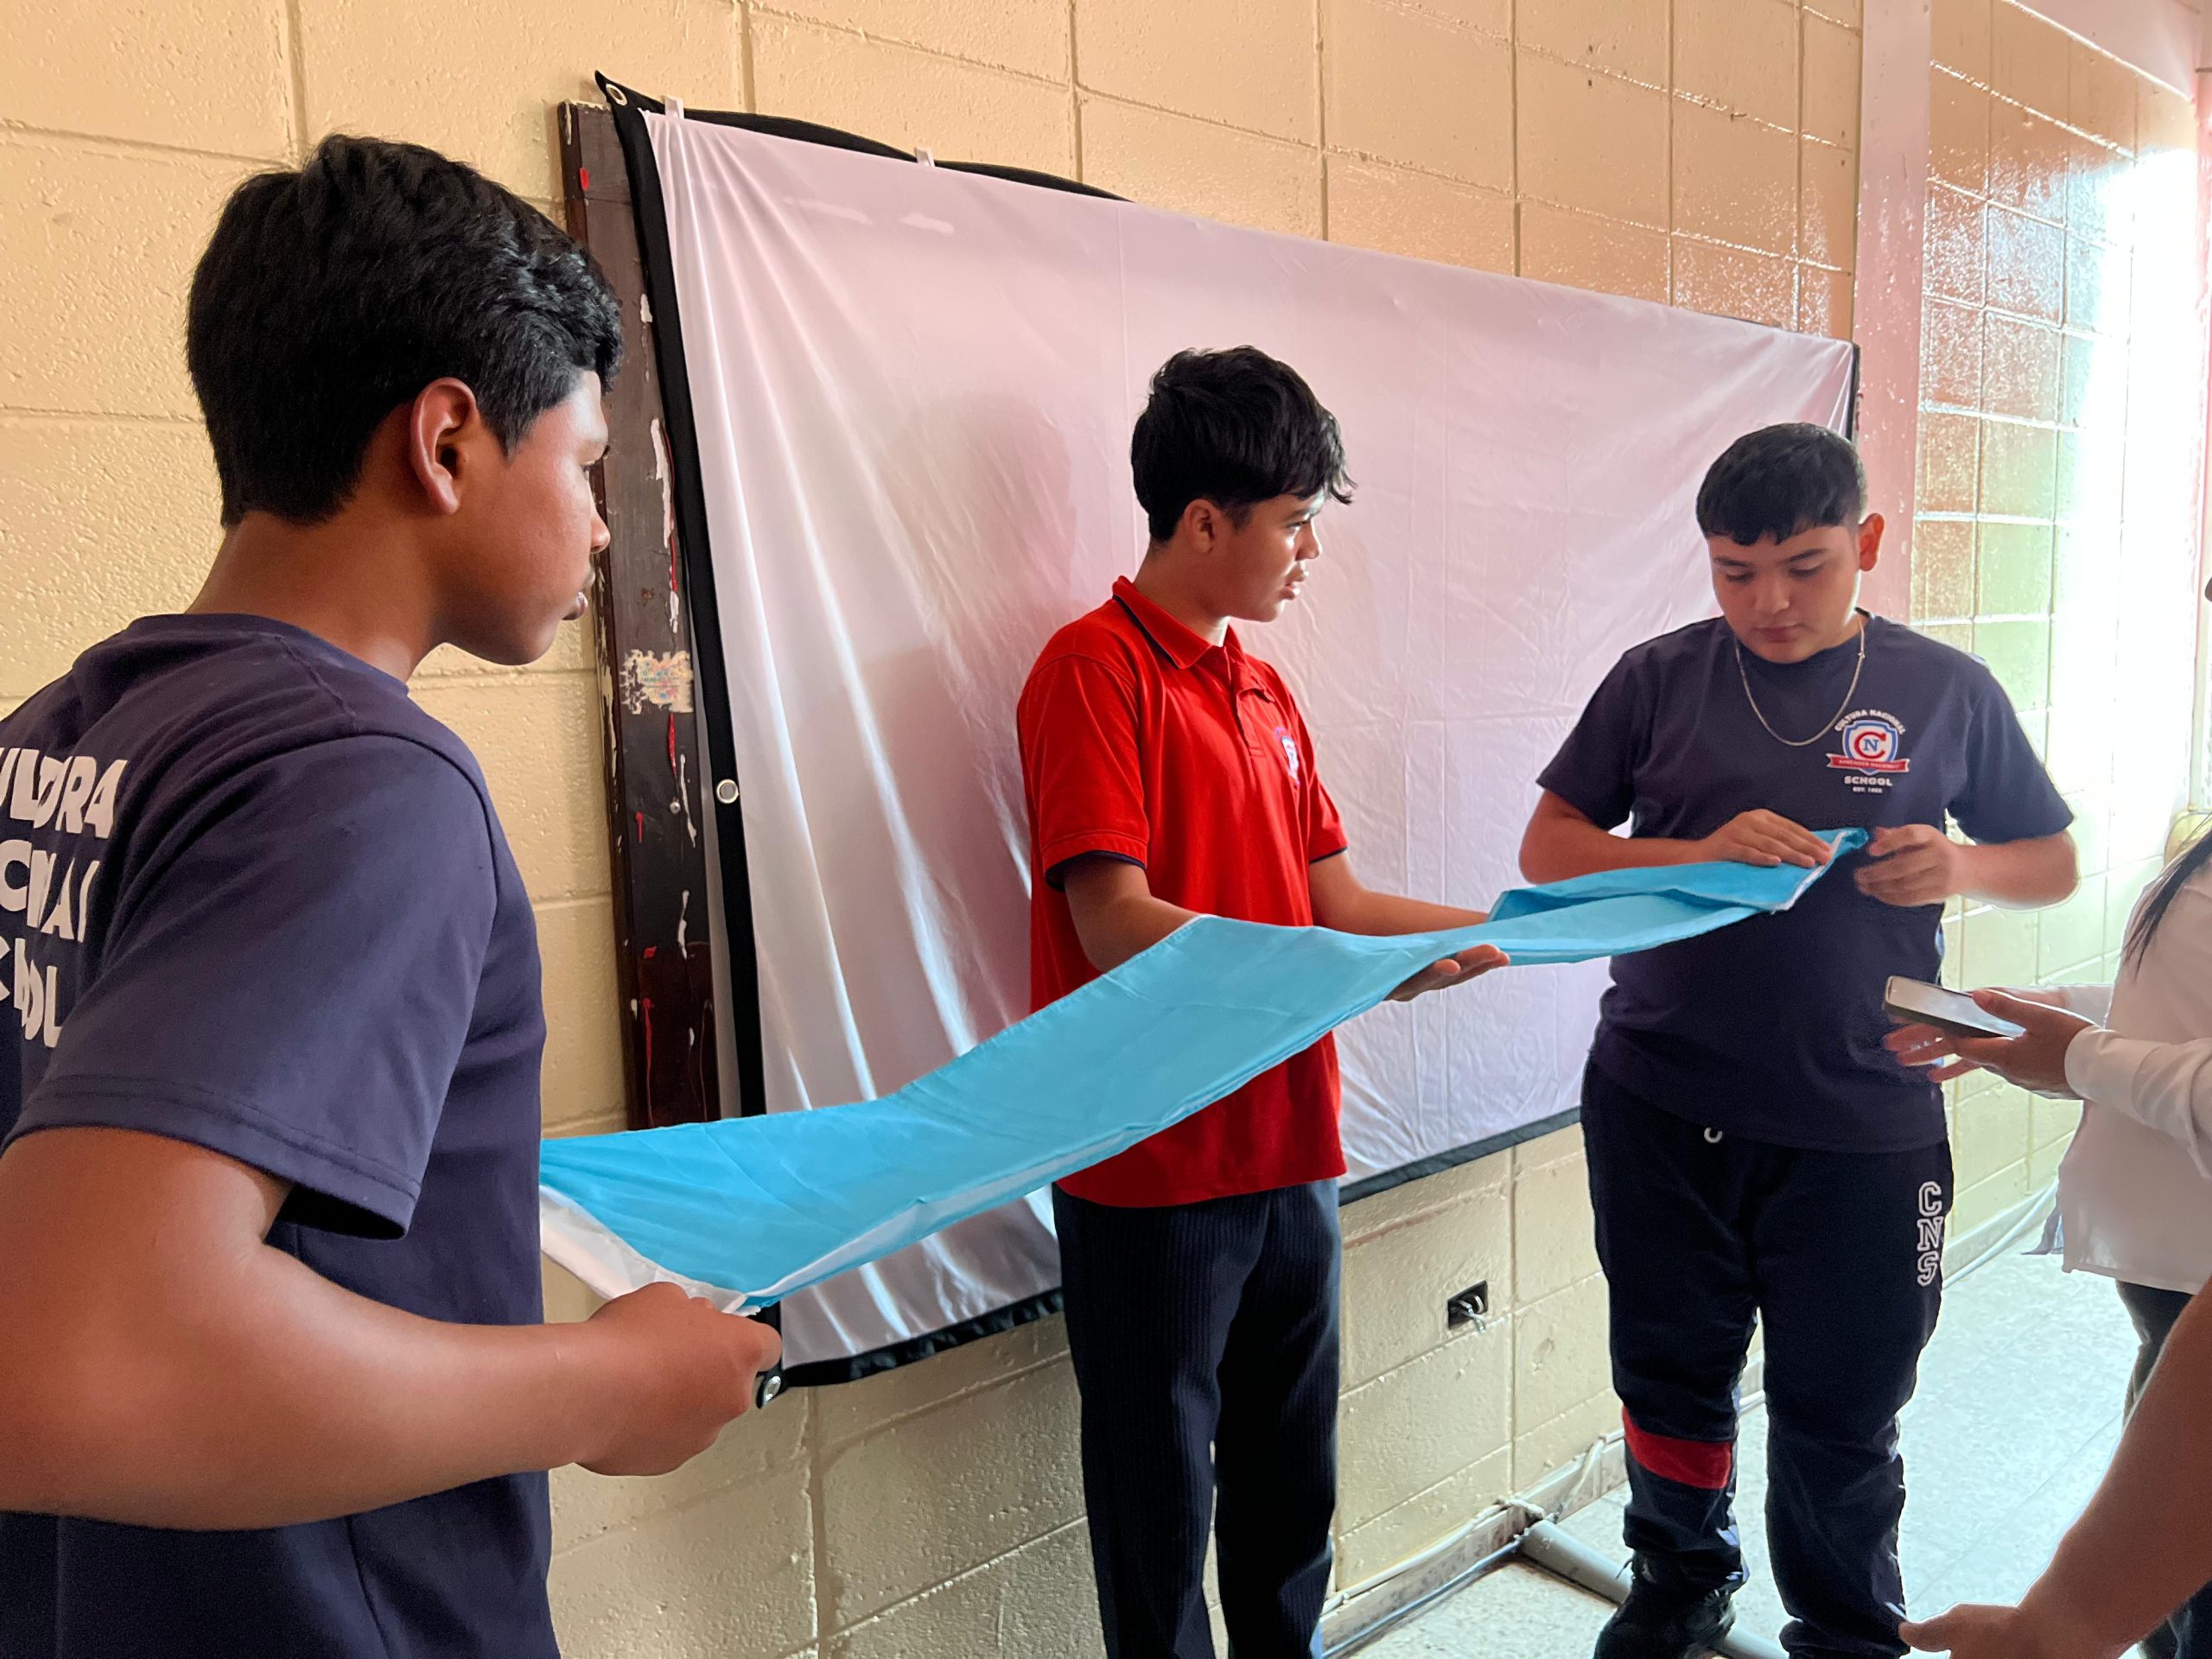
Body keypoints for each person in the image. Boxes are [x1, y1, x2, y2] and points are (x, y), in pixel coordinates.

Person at [0, 136, 780, 1657]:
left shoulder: (60, 739)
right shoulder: (363, 782)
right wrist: (612, 1385)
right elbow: (80, 1361)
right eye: (587, 465)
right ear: (447, 442)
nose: (602, 526)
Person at [1518, 423, 2079, 1659]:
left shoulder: (1942, 688)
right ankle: (1679, 1584)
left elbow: (2051, 861)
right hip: (1661, 1098)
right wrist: (1694, 850)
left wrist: (1962, 867)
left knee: (1843, 1402)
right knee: (1669, 1373)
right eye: (1735, 571)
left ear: (1865, 542)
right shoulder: (1658, 678)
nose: (1768, 602)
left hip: (1862, 1117)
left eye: (1804, 567)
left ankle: (1843, 1628)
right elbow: (1549, 853)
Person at [1019, 346, 1508, 1659]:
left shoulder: (1265, 690)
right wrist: (1335, 971)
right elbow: (1113, 923)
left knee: (1292, 1492)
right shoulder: (1091, 671)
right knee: (1158, 1510)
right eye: (1293, 523)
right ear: (1203, 523)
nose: (1308, 552)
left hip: (1291, 1145)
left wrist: (1490, 929)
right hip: (1150, 1164)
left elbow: (1332, 900)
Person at [1889, 571, 2212, 1659]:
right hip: (2174, 1305)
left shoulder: (1948, 691)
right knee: (2169, 1597)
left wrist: (2077, 1057)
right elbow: (2187, 1005)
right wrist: (2057, 1019)